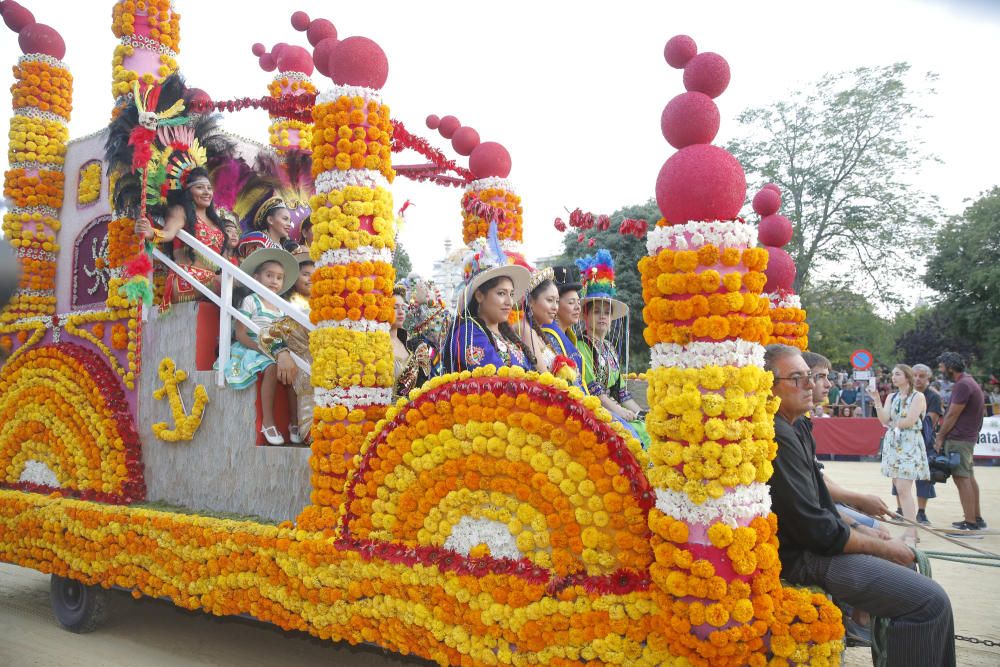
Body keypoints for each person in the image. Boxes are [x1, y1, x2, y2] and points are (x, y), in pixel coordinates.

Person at [765, 344, 955, 667]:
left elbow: (820, 505)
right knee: (930, 602)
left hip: (817, 546)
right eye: (798, 379)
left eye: (811, 377)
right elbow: (818, 531)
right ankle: (860, 624)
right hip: (807, 557)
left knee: (922, 588)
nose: (811, 385)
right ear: (768, 387)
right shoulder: (777, 433)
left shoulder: (793, 426)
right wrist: (882, 547)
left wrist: (859, 527)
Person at [219, 248, 301, 446]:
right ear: (256, 277)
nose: (274, 281)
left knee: (293, 369)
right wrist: (264, 350)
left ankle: (295, 421)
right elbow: (240, 334)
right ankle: (268, 420)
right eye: (269, 275)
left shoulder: (282, 307)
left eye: (279, 278)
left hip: (276, 349)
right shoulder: (250, 301)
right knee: (272, 366)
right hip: (252, 347)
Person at [575, 249, 650, 448]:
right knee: (631, 435)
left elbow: (622, 392)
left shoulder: (608, 347)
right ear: (585, 316)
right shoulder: (581, 347)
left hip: (615, 409)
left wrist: (638, 413)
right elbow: (595, 392)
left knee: (646, 426)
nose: (602, 317)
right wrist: (619, 411)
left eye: (606, 313)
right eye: (597, 312)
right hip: (597, 411)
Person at [134, 167, 228, 304]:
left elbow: (224, 263)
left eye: (209, 188)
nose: (207, 192)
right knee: (228, 286)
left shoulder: (216, 222)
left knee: (237, 285)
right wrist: (151, 233)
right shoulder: (180, 211)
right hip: (185, 280)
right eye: (200, 187)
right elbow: (168, 233)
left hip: (213, 281)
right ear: (189, 191)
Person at [444, 242, 534, 372]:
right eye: (501, 293)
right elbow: (497, 378)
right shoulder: (467, 333)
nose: (509, 302)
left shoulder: (506, 334)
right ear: (479, 296)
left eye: (511, 294)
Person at [869, 364, 928, 547]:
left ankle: (911, 533)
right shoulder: (892, 397)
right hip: (894, 444)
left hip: (909, 444)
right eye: (893, 374)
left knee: (903, 488)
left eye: (897, 374)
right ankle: (912, 531)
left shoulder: (918, 396)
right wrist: (877, 400)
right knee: (900, 488)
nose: (893, 377)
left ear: (907, 377)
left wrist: (891, 423)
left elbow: (909, 421)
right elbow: (883, 420)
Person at [934, 351, 988, 530]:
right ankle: (976, 518)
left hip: (959, 439)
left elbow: (952, 415)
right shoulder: (970, 382)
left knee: (961, 478)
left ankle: (970, 522)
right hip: (967, 437)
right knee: (969, 477)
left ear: (950, 367)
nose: (940, 370)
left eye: (942, 367)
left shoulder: (962, 385)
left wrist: (940, 437)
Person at [890, 363, 943, 524]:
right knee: (898, 475)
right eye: (915, 375)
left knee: (923, 478)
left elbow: (931, 421)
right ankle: (900, 510)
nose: (918, 379)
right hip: (900, 440)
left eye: (922, 376)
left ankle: (921, 512)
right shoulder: (899, 394)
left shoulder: (932, 396)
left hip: (922, 441)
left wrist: (906, 424)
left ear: (929, 378)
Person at [540, 266, 588, 383]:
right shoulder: (549, 336)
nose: (578, 307)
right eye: (571, 302)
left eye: (578, 302)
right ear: (557, 305)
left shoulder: (568, 336)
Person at [517, 268, 561, 373]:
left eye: (557, 301)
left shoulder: (537, 333)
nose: (555, 307)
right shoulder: (525, 330)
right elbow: (545, 379)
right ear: (531, 301)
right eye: (550, 300)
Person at [285, 246, 313, 312]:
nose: (311, 279)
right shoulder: (288, 304)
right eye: (305, 274)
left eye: (314, 275)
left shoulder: (323, 302)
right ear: (294, 277)